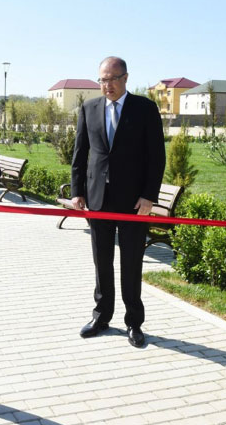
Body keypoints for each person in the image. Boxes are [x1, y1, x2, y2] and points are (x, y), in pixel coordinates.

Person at [70, 56, 165, 348]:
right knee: (102, 262)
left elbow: (156, 156)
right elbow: (80, 152)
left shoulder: (145, 109)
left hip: (133, 201)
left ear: (125, 78)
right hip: (98, 198)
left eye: (112, 79)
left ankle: (134, 322)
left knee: (131, 262)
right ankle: (102, 316)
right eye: (102, 79)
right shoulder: (89, 108)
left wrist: (149, 195)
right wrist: (77, 191)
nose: (106, 85)